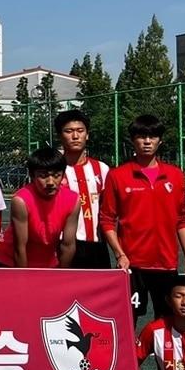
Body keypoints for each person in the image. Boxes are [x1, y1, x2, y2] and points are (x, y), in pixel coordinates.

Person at [100, 114, 185, 321]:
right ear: (133, 140)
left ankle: (166, 356)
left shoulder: (175, 175)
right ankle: (131, 355)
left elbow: (182, 219)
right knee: (127, 320)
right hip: (133, 265)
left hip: (166, 263)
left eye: (152, 137)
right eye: (142, 137)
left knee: (168, 323)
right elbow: (107, 219)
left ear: (160, 140)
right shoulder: (118, 175)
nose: (147, 141)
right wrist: (120, 254)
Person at [0, 147, 80, 268]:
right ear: (32, 175)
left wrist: (62, 276)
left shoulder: (73, 200)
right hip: (13, 263)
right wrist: (24, 279)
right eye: (43, 176)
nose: (51, 182)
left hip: (48, 263)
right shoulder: (21, 201)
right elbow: (20, 247)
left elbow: (68, 245)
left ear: (63, 175)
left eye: (56, 175)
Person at [55, 109, 112, 268]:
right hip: (62, 243)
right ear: (60, 136)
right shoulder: (54, 172)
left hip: (96, 244)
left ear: (87, 135)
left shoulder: (102, 169)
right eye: (69, 131)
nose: (75, 136)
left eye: (80, 131)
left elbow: (109, 210)